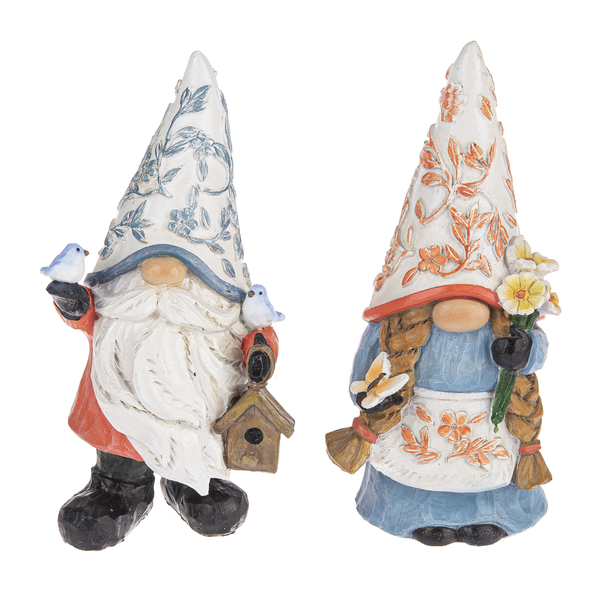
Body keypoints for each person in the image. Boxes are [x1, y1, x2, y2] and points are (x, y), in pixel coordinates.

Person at [326, 42, 555, 546]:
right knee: (411, 473)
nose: (459, 305)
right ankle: (413, 513)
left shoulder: (509, 320)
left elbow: (537, 353)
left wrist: (524, 350)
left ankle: (491, 513)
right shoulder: (395, 330)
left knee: (491, 472)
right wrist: (369, 393)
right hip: (417, 422)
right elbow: (364, 373)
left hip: (489, 427)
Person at [46, 52, 275, 550]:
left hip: (198, 420)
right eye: (147, 264)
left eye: (185, 268)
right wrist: (72, 303)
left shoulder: (221, 314)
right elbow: (90, 317)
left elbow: (260, 339)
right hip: (116, 414)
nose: (162, 276)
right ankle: (118, 488)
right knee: (120, 450)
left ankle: (190, 483)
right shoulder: (119, 306)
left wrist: (260, 353)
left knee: (201, 467)